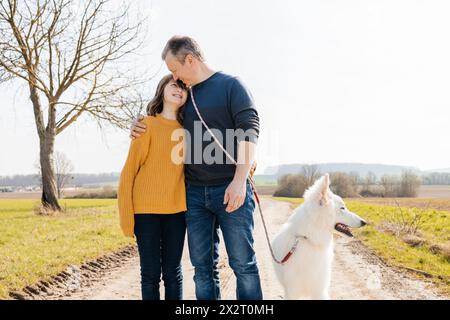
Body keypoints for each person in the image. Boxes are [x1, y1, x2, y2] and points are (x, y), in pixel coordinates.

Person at [131, 35, 262, 300]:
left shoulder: (231, 86)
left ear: (189, 60)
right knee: (202, 269)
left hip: (231, 189)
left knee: (243, 265)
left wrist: (239, 181)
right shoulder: (183, 95)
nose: (174, 77)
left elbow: (250, 130)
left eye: (174, 69)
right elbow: (164, 123)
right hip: (194, 195)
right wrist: (138, 125)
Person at [118, 74, 188, 300]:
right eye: (174, 85)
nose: (179, 90)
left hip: (177, 212)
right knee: (149, 274)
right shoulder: (146, 125)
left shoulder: (190, 130)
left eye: (183, 88)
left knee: (173, 273)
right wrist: (126, 217)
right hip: (145, 212)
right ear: (162, 90)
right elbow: (129, 172)